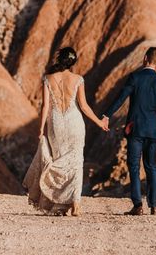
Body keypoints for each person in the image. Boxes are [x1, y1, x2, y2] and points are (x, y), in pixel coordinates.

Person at [23, 47, 108, 216]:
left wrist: (41, 129)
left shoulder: (48, 79)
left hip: (56, 123)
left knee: (59, 160)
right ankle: (75, 203)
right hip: (74, 122)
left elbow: (45, 107)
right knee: (76, 163)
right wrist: (99, 122)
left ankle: (59, 202)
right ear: (73, 62)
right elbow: (83, 106)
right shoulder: (78, 79)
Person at [101, 47, 156, 215]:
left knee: (133, 166)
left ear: (145, 58)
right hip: (153, 131)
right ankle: (154, 206)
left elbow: (121, 98)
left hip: (136, 130)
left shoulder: (135, 77)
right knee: (152, 167)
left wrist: (106, 115)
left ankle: (138, 205)